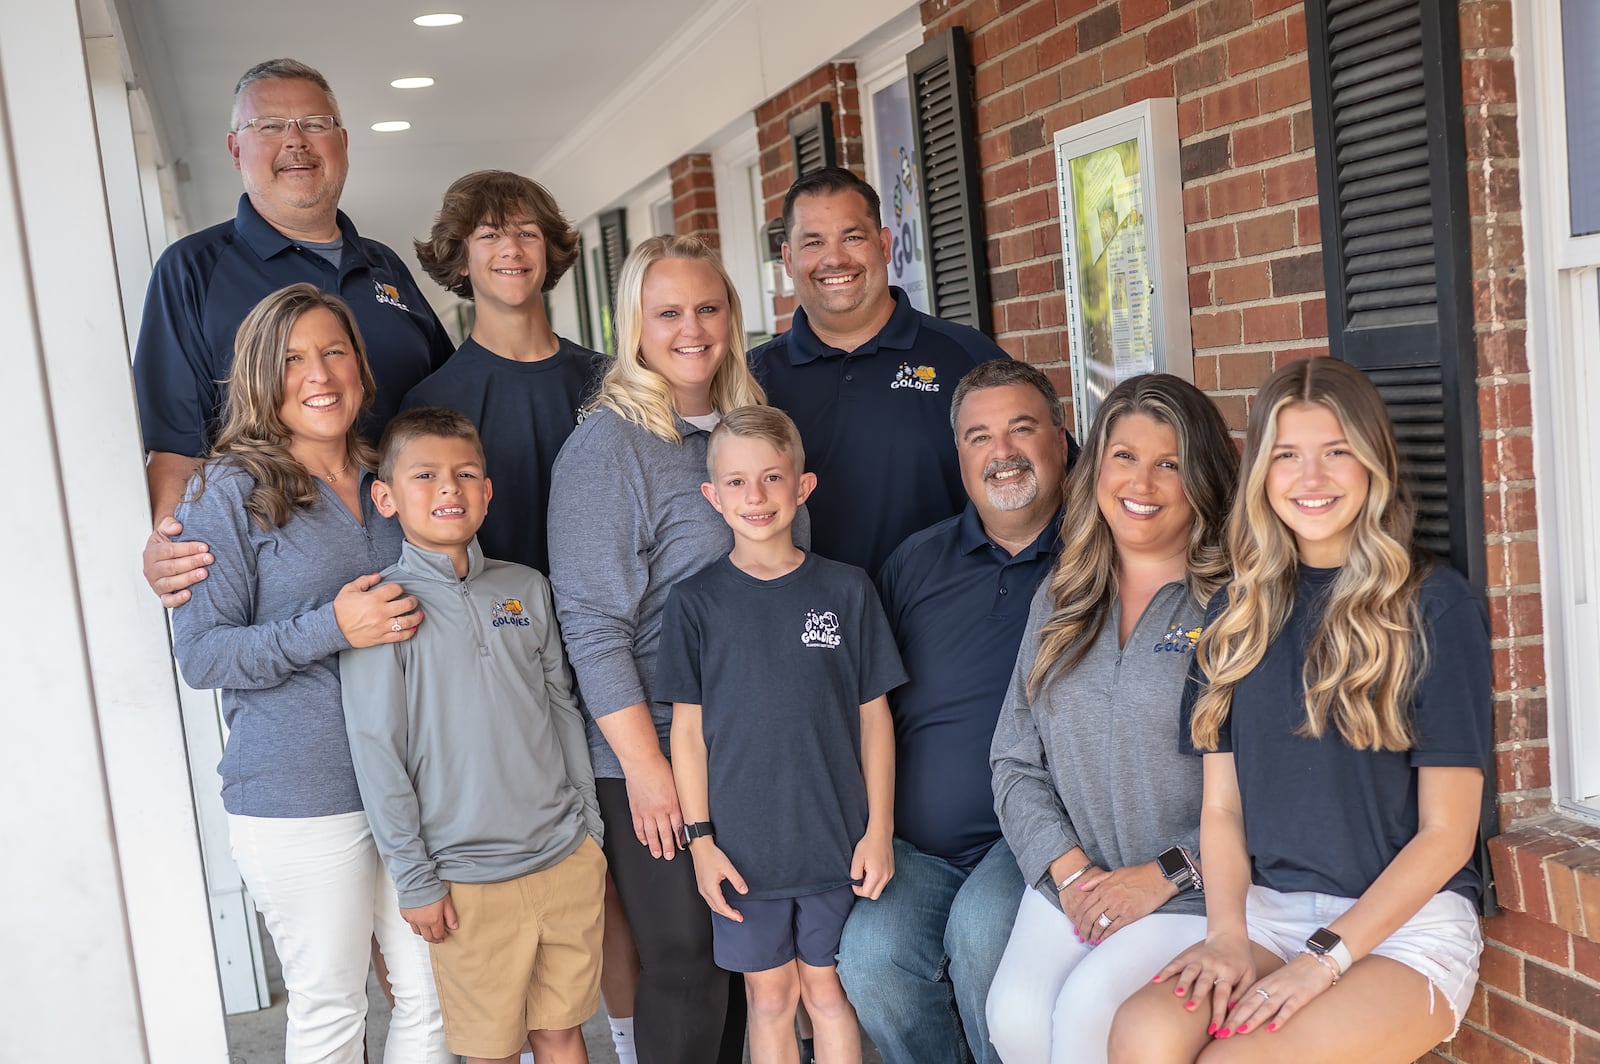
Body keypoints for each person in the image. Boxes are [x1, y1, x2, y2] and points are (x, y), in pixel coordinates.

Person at [1108, 358, 1492, 1064]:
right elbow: (1221, 810)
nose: (1311, 479)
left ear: (1373, 462)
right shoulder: (1236, 613)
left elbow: (1446, 835)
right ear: (1262, 474)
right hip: (1270, 916)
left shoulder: (1434, 606)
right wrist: (1226, 936)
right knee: (1141, 1036)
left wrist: (1325, 960)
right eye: (1287, 455)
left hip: (1405, 928)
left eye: (1336, 452)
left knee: (1239, 1060)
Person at [167, 284, 450, 1064]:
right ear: (262, 377)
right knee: (332, 1008)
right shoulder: (225, 493)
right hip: (299, 792)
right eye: (292, 359)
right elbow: (204, 655)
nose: (318, 373)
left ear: (360, 366)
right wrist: (333, 627)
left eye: (334, 351)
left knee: (436, 1000)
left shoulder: (396, 477)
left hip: (414, 786)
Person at [548, 235, 798, 1064]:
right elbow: (591, 624)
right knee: (687, 962)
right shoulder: (608, 447)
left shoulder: (753, 430)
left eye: (708, 308)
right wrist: (647, 768)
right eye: (668, 313)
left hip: (751, 745)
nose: (691, 328)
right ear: (635, 327)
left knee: (750, 958)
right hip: (649, 749)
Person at [985, 374, 1238, 1064]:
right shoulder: (1064, 596)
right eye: (1125, 456)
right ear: (1096, 468)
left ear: (1203, 480)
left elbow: (1275, 785)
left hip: (1191, 893)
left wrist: (1169, 873)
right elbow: (1014, 758)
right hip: (1075, 882)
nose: (1143, 483)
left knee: (1089, 1019)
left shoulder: (1235, 606)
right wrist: (1068, 873)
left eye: (1170, 464)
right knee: (1012, 1019)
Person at [340, 408, 605, 1064]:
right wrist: (416, 878)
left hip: (563, 857)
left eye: (464, 474)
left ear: (488, 493)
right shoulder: (383, 607)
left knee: (562, 1033)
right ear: (386, 497)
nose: (448, 489)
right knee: (491, 1049)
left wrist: (590, 831)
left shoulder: (526, 589)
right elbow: (379, 753)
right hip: (467, 880)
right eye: (425, 475)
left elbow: (561, 708)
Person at [139, 57, 453, 607]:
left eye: (314, 123)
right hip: (289, 571)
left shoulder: (384, 267)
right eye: (269, 127)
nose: (296, 142)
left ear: (343, 142)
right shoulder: (192, 269)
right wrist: (171, 543)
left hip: (419, 555)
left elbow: (446, 399)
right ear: (236, 149)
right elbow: (176, 443)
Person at [836, 359, 1078, 1064]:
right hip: (917, 845)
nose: (1001, 452)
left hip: (1033, 837)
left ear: (1061, 442)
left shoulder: (1095, 561)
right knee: (873, 959)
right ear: (960, 456)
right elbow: (866, 703)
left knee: (983, 938)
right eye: (978, 436)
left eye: (1021, 430)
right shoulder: (915, 564)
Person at [655, 406, 903, 1064]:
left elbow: (874, 718)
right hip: (743, 852)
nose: (755, 496)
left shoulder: (847, 591)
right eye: (735, 483)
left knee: (827, 992)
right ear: (712, 496)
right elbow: (687, 735)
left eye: (771, 478)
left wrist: (878, 830)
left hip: (835, 840)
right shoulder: (694, 603)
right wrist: (701, 843)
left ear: (803, 486)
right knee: (769, 1000)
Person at [750, 166, 1008, 575]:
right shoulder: (752, 380)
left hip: (943, 621)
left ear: (884, 244)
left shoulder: (966, 356)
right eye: (813, 242)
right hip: (806, 628)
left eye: (852, 237)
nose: (834, 259)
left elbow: (1046, 476)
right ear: (788, 258)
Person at [405, 170, 607, 576]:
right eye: (490, 236)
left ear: (548, 251)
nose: (512, 249)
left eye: (527, 233)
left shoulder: (612, 382)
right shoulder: (432, 403)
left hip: (613, 623)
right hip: (505, 626)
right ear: (461, 259)